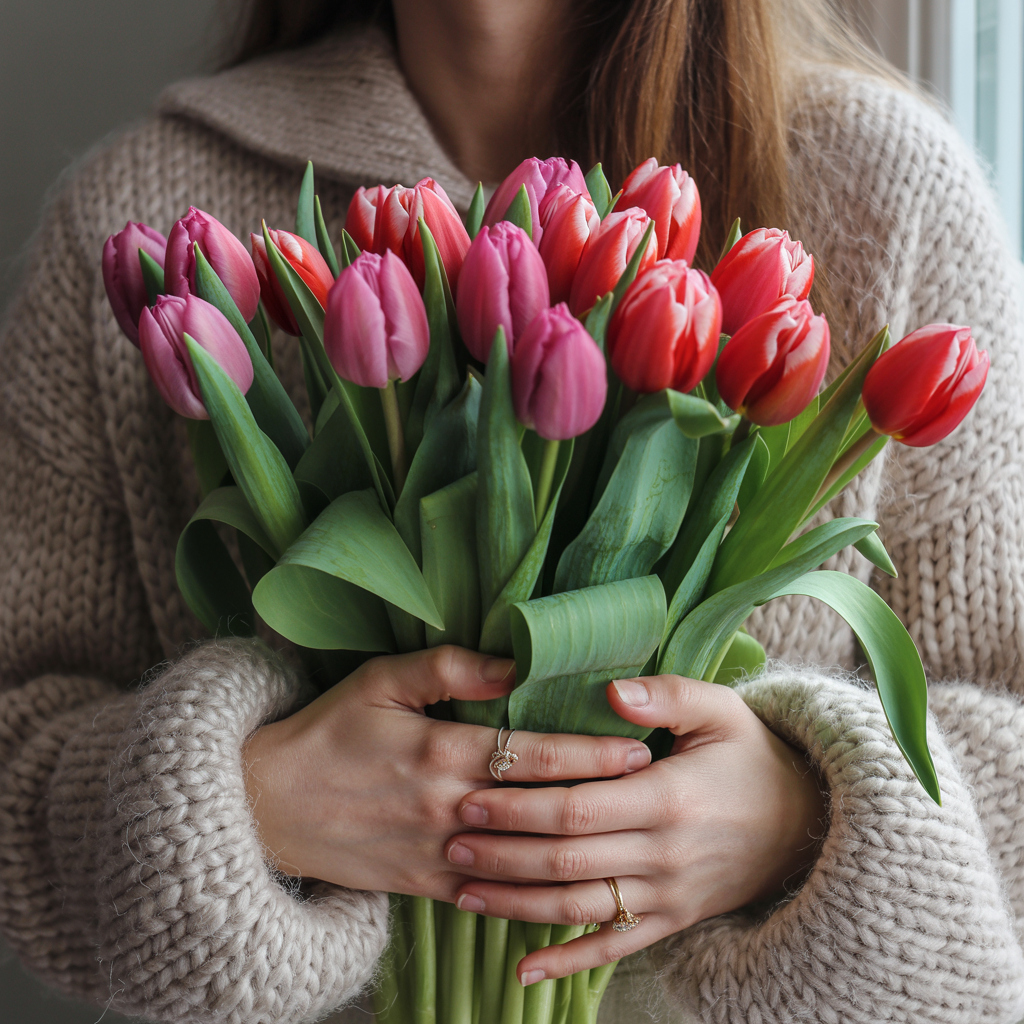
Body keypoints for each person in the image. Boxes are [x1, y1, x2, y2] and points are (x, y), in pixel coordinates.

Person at [1, 0, 1022, 1022]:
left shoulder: (882, 195)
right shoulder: (145, 204)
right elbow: (16, 757)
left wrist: (797, 819)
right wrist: (247, 804)